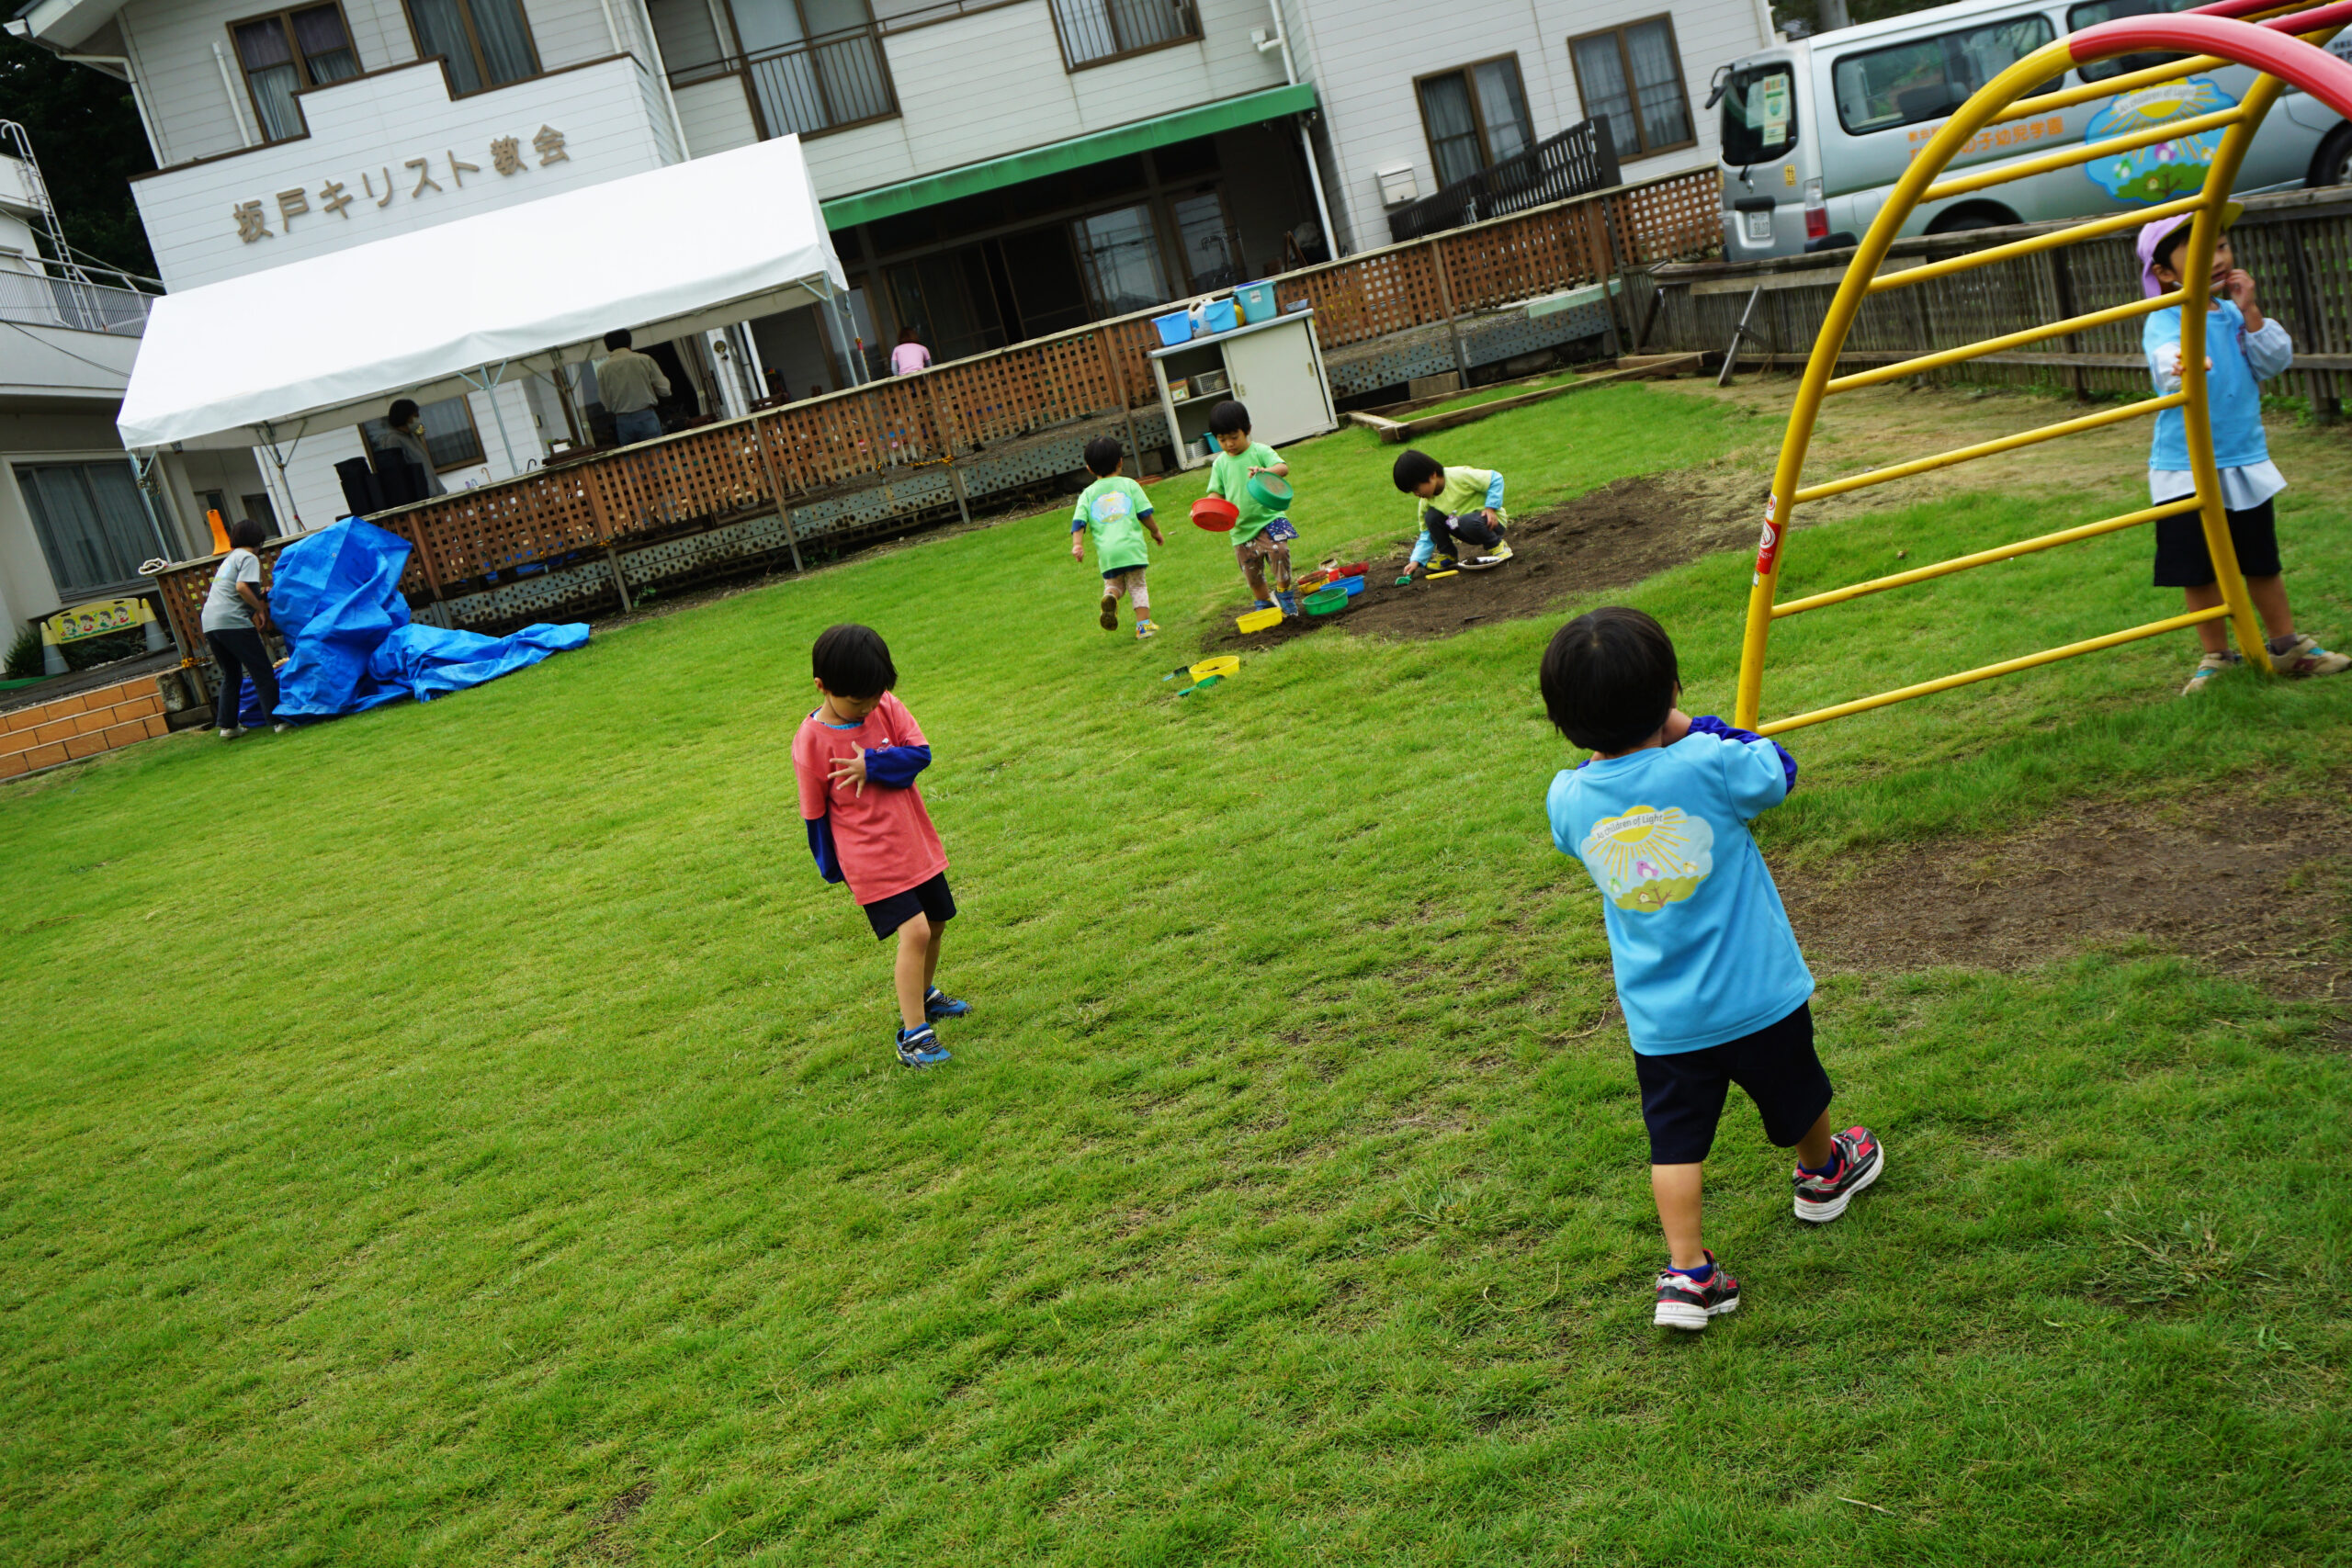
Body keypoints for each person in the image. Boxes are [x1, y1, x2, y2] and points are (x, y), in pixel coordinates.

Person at [1540, 606, 1882, 1332]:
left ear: (1564, 721)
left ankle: (1687, 1273)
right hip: (1758, 994)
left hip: (1664, 1021)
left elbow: (1583, 821)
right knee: (1797, 1089)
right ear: (1669, 691)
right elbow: (1778, 771)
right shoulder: (1708, 761)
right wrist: (1703, 727)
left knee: (1676, 1142)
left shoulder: (1567, 799)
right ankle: (1823, 1173)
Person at [2138, 210, 2348, 694]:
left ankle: (2287, 647)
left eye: (2222, 246)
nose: (2218, 258)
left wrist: (2251, 310)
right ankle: (2217, 656)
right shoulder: (2165, 317)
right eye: (2201, 252)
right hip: (2184, 466)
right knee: (2198, 568)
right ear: (2166, 274)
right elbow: (2163, 363)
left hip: (2243, 458)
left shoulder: (2232, 314)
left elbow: (2273, 361)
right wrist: (2184, 362)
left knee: (2261, 560)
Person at [793, 624, 969, 1068]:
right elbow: (814, 812)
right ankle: (914, 1036)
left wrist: (871, 763)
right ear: (823, 687)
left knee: (937, 922)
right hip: (869, 859)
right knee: (915, 932)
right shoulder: (811, 742)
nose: (870, 706)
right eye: (858, 702)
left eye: (876, 696)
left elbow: (919, 755)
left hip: (915, 844)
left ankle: (924, 996)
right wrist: (832, 866)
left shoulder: (884, 703)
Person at [198, 518, 293, 740]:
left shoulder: (230, 559)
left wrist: (259, 595)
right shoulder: (249, 557)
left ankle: (228, 727)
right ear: (258, 540)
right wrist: (260, 608)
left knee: (231, 675)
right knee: (262, 672)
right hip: (233, 623)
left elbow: (235, 589)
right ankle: (278, 721)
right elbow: (241, 588)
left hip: (211, 623)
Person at [1204, 400, 1299, 616]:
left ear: (1247, 430)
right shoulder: (1220, 464)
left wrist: (1264, 472)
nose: (1229, 444)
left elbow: (1283, 468)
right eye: (1222, 439)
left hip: (1269, 519)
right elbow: (1215, 492)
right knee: (1252, 574)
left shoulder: (1260, 451)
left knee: (1280, 551)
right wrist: (1207, 508)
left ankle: (1284, 594)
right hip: (1241, 529)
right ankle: (1265, 606)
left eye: (1233, 437)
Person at [1069, 436, 1163, 640]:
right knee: (1137, 585)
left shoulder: (1087, 494)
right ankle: (1144, 626)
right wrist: (1155, 532)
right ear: (1121, 461)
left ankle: (1110, 596)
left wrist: (1077, 545)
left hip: (1108, 554)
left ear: (1089, 468)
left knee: (1115, 585)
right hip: (1131, 549)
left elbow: (1079, 522)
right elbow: (1145, 513)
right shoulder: (1129, 485)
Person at [1392, 448, 1510, 574]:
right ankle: (1448, 555)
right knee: (1431, 517)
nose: (1416, 494)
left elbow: (1495, 478)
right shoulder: (1426, 501)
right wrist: (1416, 560)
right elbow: (1427, 532)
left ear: (1432, 475)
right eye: (1412, 492)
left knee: (1466, 521)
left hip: (1492, 523)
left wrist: (1490, 508)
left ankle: (1497, 545)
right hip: (1464, 529)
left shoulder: (1458, 476)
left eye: (1416, 489)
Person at [596, 328, 672, 446]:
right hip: (645, 415)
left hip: (622, 420)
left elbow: (605, 401)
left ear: (608, 347)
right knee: (657, 457)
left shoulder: (602, 369)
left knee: (632, 461)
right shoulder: (644, 359)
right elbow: (664, 390)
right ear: (629, 343)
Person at [381, 399, 447, 498]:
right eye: (415, 415)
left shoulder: (411, 435)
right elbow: (398, 472)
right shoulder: (393, 439)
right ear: (405, 417)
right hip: (420, 495)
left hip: (434, 491)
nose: (418, 419)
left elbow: (424, 464)